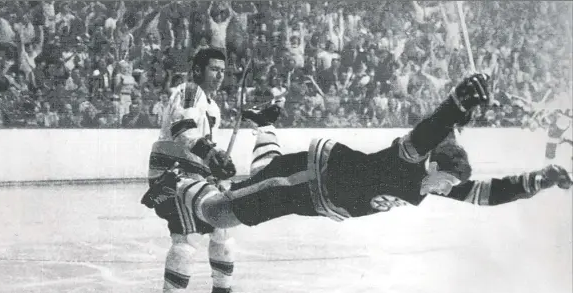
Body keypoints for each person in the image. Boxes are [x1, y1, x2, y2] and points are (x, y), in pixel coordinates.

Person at [143, 73, 572, 236]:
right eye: (448, 181)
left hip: (315, 201)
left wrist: (542, 179)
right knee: (219, 214)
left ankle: (264, 124)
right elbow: (429, 130)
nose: (450, 191)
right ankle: (177, 185)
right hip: (310, 179)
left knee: (261, 172)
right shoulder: (412, 160)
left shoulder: (433, 186)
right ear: (433, 165)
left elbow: (488, 194)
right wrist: (456, 104)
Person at [145, 47, 278, 293]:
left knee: (222, 229)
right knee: (188, 236)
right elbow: (183, 129)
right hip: (172, 175)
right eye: (213, 69)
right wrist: (212, 154)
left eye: (222, 70)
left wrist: (213, 166)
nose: (219, 75)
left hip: (189, 174)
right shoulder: (189, 91)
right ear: (197, 71)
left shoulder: (211, 105)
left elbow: (199, 149)